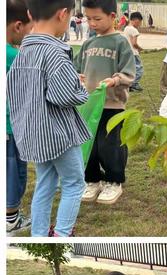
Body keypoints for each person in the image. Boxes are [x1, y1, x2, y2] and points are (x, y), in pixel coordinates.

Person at [7, 0, 90, 237]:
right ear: (64, 14)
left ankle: (40, 234)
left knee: (45, 184)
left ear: (31, 14)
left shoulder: (23, 52)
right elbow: (64, 95)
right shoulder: (54, 52)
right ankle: (62, 235)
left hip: (33, 134)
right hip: (57, 135)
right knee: (74, 184)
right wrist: (79, 87)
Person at [75, 0, 136, 205]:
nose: (92, 23)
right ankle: (92, 179)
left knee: (110, 145)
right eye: (88, 18)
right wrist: (78, 76)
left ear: (112, 17)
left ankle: (114, 181)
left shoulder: (121, 42)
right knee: (88, 144)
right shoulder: (87, 43)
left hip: (112, 105)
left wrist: (115, 80)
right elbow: (77, 67)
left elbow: (129, 73)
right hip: (89, 105)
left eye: (97, 18)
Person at [6, 0, 32, 236]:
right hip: (11, 126)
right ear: (17, 26)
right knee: (14, 173)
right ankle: (11, 220)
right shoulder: (13, 55)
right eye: (28, 29)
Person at [124, 11, 144, 92]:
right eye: (140, 23)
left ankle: (129, 84)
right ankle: (134, 84)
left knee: (131, 70)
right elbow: (134, 43)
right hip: (134, 53)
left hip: (127, 53)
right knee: (139, 69)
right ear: (136, 20)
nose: (139, 24)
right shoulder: (134, 30)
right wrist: (140, 48)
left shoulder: (126, 28)